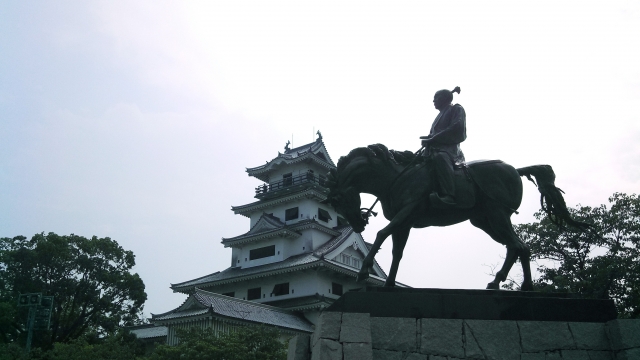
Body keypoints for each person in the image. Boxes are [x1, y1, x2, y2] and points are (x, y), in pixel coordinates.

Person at [421, 86, 466, 208]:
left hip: (449, 150)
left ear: (445, 98)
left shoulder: (456, 109)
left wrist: (434, 138)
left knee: (440, 158)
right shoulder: (440, 115)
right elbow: (435, 134)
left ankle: (449, 195)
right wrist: (428, 138)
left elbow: (457, 127)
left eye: (436, 98)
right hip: (434, 148)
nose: (433, 101)